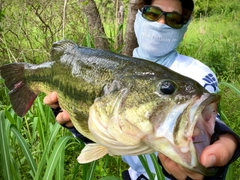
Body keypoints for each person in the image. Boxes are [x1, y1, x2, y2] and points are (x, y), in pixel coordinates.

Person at [44, 0, 240, 179]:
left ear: (184, 28)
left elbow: (206, 124)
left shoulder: (196, 72)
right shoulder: (120, 69)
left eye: (173, 19)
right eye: (152, 14)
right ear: (138, 15)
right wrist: (78, 128)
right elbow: (110, 132)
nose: (161, 24)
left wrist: (219, 139)